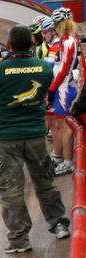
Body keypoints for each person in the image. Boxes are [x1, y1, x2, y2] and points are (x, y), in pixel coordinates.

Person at [0, 24, 71, 254]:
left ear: (8, 46)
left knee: (11, 189)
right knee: (45, 182)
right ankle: (58, 224)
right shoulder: (44, 67)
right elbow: (48, 89)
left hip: (6, 139)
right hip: (35, 135)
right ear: (32, 44)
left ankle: (19, 240)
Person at [47, 7, 85, 175]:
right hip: (63, 86)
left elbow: (63, 70)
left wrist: (52, 89)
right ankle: (60, 158)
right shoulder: (68, 40)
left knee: (64, 127)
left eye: (54, 24)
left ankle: (68, 163)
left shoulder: (68, 41)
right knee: (61, 126)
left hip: (63, 88)